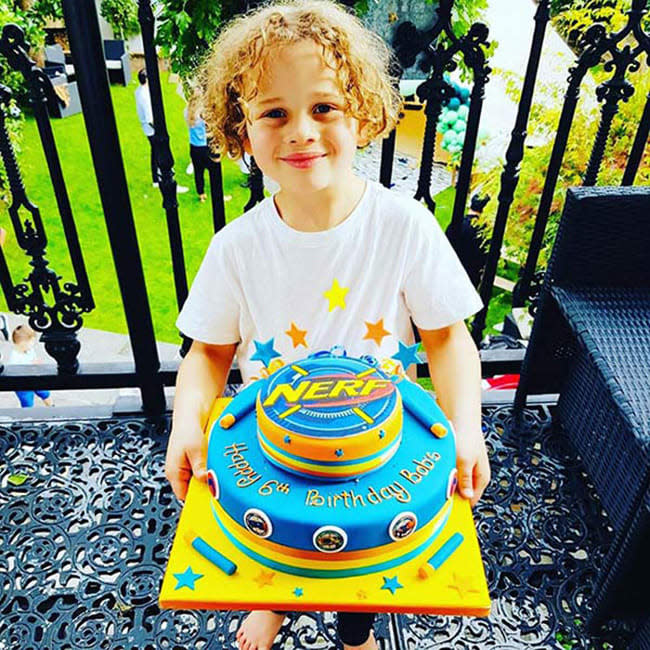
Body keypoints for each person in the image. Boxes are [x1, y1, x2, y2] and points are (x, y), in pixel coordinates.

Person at [166, 2, 491, 649]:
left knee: (362, 554)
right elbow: (207, 354)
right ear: (241, 129)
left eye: (323, 108)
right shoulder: (236, 248)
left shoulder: (405, 228)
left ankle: (354, 632)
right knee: (268, 525)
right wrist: (184, 422)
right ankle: (272, 605)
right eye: (274, 113)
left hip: (378, 455)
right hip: (271, 450)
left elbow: (448, 340)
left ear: (363, 111)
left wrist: (468, 429)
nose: (300, 132)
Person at [135, 69, 188, 193]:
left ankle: (155, 179)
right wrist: (159, 130)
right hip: (151, 130)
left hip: (147, 129)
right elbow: (149, 118)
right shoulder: (145, 95)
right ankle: (165, 180)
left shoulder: (139, 91)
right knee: (161, 153)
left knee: (154, 153)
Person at [445, 193, 490, 287]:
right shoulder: (484, 231)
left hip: (448, 269)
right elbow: (486, 257)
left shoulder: (457, 222)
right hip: (470, 276)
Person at [10, 324, 54, 408]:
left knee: (44, 392)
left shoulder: (30, 350)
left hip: (33, 378)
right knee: (27, 400)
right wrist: (31, 365)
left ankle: (51, 406)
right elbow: (17, 372)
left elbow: (34, 359)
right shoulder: (15, 357)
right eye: (31, 342)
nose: (33, 345)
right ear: (23, 342)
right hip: (22, 384)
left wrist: (36, 363)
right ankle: (29, 417)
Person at [184, 103, 210, 201]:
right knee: (214, 171)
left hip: (194, 146)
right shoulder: (203, 112)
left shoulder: (187, 111)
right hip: (205, 146)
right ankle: (217, 193)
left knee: (198, 172)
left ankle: (201, 194)